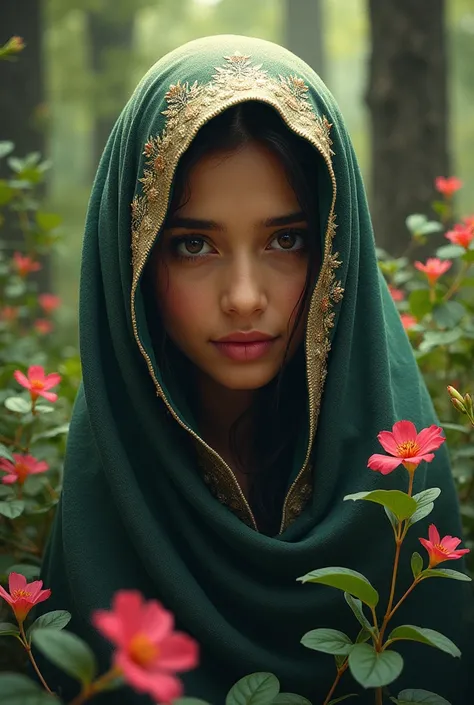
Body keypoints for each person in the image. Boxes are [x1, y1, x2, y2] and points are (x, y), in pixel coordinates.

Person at [31, 35, 472, 704]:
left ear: (334, 249)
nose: (243, 296)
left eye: (286, 240)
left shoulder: (404, 479)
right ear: (136, 261)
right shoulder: (111, 485)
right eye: (194, 244)